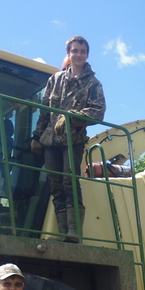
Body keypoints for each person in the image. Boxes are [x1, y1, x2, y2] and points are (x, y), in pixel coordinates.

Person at [31, 35, 106, 243]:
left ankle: (74, 232)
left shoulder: (93, 83)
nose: (78, 54)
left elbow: (98, 112)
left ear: (87, 55)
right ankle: (63, 231)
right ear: (68, 54)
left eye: (82, 51)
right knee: (55, 184)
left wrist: (71, 117)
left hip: (73, 139)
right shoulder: (55, 80)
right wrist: (36, 136)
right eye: (74, 51)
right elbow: (44, 110)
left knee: (69, 181)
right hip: (50, 140)